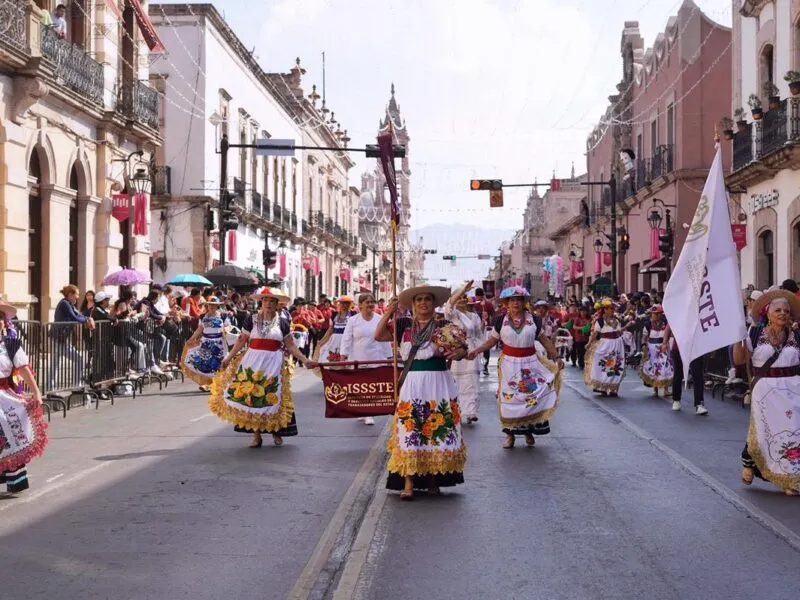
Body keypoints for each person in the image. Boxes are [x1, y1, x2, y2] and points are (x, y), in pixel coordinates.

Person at [374, 285, 468, 500]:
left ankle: (434, 478)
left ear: (434, 303)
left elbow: (463, 349)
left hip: (439, 381)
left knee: (437, 428)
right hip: (413, 381)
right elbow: (378, 335)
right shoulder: (404, 324)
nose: (423, 303)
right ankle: (408, 482)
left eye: (427, 299)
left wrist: (459, 352)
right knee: (411, 428)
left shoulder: (444, 324)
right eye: (418, 300)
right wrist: (389, 312)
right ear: (413, 304)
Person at [210, 288, 313, 449]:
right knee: (252, 397)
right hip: (253, 361)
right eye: (265, 300)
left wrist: (305, 359)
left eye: (272, 301)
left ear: (277, 304)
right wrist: (228, 358)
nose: (268, 304)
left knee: (272, 396)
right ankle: (256, 435)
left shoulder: (283, 323)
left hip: (273, 363)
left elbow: (291, 345)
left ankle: (275, 430)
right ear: (261, 302)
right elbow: (242, 340)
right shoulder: (251, 320)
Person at [468, 286, 563, 449]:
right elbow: (491, 341)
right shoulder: (500, 321)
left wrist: (556, 356)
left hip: (530, 364)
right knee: (509, 399)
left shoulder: (534, 320)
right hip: (508, 367)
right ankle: (510, 435)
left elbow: (545, 341)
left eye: (519, 300)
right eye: (512, 300)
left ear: (524, 302)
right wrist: (476, 350)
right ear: (506, 303)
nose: (515, 303)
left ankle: (528, 432)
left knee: (530, 397)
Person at [733, 289, 800, 495]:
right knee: (765, 432)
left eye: (786, 311)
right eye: (777, 310)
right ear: (767, 313)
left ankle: (791, 478)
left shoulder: (796, 335)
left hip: (793, 391)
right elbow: (739, 360)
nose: (782, 314)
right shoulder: (754, 333)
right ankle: (751, 463)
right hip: (765, 391)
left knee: (793, 433)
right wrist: (737, 338)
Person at [0, 298, 47, 494]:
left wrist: (35, 391)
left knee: (9, 435)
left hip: (5, 395)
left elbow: (23, 369)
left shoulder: (10, 344)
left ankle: (13, 478)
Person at [339, 293, 393, 426]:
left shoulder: (380, 319)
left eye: (372, 302)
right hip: (359, 357)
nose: (370, 304)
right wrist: (343, 356)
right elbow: (346, 339)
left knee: (372, 386)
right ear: (360, 305)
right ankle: (363, 411)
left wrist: (389, 357)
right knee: (361, 386)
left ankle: (369, 412)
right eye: (367, 302)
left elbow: (385, 339)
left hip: (377, 357)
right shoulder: (353, 320)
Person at [443, 281, 483, 424]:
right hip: (456, 350)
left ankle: (471, 411)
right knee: (456, 382)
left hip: (471, 350)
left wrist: (479, 349)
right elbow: (449, 305)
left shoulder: (473, 316)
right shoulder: (452, 314)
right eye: (459, 297)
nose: (462, 299)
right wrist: (462, 290)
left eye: (464, 296)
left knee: (471, 381)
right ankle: (456, 410)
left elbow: (479, 335)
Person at [49, 284, 95, 390]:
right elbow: (73, 317)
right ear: (70, 294)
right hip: (58, 337)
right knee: (56, 363)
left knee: (78, 359)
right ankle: (50, 389)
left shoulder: (70, 304)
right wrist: (87, 320)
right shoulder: (64, 303)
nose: (78, 297)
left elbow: (78, 315)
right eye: (77, 295)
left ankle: (76, 385)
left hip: (64, 339)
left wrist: (88, 318)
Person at [181, 296, 229, 392]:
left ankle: (217, 384)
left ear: (217, 306)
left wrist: (227, 336)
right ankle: (206, 384)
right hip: (206, 343)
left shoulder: (223, 316)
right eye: (210, 305)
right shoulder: (203, 317)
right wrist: (191, 339)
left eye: (214, 305)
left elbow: (228, 328)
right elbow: (199, 329)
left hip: (219, 344)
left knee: (217, 364)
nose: (212, 307)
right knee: (206, 364)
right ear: (207, 305)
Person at [661, 324, 709, 415]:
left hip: (696, 347)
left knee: (697, 374)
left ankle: (699, 404)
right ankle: (676, 400)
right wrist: (664, 342)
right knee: (678, 374)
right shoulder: (679, 311)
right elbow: (669, 326)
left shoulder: (700, 312)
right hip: (679, 347)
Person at [584, 298, 626, 396]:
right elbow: (595, 333)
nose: (613, 310)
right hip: (605, 345)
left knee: (615, 365)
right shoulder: (600, 321)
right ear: (605, 309)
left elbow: (619, 332)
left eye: (613, 309)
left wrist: (626, 327)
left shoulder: (616, 320)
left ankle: (613, 388)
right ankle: (603, 386)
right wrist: (589, 343)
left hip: (617, 345)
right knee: (604, 364)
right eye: (611, 308)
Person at [639, 305, 673, 396]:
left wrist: (666, 344)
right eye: (654, 314)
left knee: (665, 367)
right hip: (652, 349)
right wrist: (643, 345)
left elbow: (670, 333)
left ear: (661, 314)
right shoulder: (648, 324)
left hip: (663, 347)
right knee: (654, 368)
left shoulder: (665, 323)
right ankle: (655, 388)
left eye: (658, 314)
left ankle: (666, 389)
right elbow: (644, 336)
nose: (656, 316)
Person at [315, 296, 353, 364]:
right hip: (335, 341)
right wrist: (321, 342)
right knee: (334, 361)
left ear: (350, 305)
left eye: (347, 303)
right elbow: (330, 330)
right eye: (342, 303)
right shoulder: (334, 315)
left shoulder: (353, 315)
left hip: (348, 341)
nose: (344, 305)